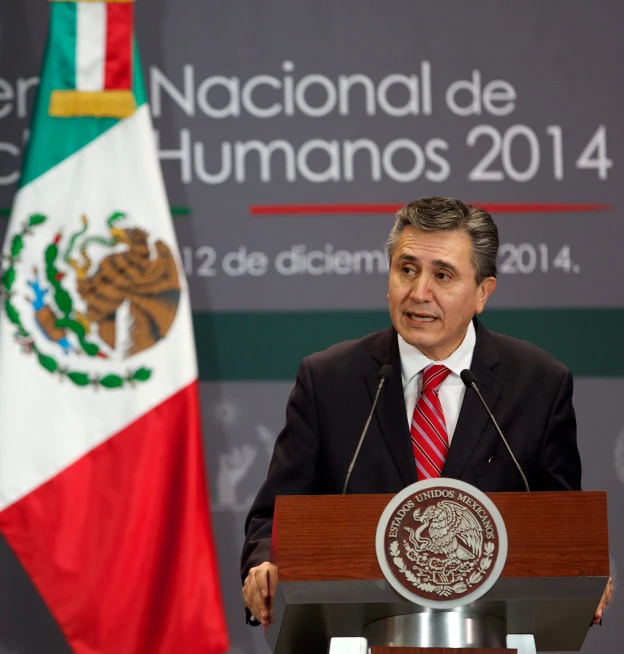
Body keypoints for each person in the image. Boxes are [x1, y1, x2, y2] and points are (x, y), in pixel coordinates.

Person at [240, 197, 612, 627]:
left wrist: (582, 573)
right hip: (356, 634)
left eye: (443, 275)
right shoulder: (328, 380)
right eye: (407, 269)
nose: (419, 293)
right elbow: (274, 516)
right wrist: (264, 567)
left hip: (489, 634)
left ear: (482, 293)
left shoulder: (539, 385)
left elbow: (560, 524)